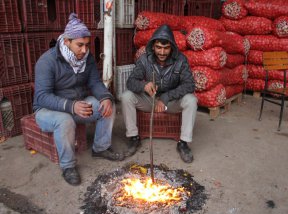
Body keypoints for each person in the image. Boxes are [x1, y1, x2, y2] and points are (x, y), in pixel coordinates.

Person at [33, 13, 124, 186]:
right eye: (79, 45)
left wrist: (105, 97)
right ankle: (68, 166)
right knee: (65, 120)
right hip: (48, 110)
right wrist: (71, 106)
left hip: (77, 104)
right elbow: (42, 97)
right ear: (66, 41)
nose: (84, 50)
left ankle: (101, 148)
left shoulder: (86, 58)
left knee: (107, 105)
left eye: (86, 45)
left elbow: (95, 82)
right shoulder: (47, 61)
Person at [121, 24, 198, 163]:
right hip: (150, 100)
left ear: (172, 47)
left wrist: (166, 97)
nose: (162, 52)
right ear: (153, 46)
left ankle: (183, 143)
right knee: (126, 96)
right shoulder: (144, 59)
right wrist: (143, 85)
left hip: (170, 103)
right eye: (158, 48)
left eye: (166, 48)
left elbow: (189, 84)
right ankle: (134, 137)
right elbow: (131, 82)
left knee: (191, 100)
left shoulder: (180, 60)